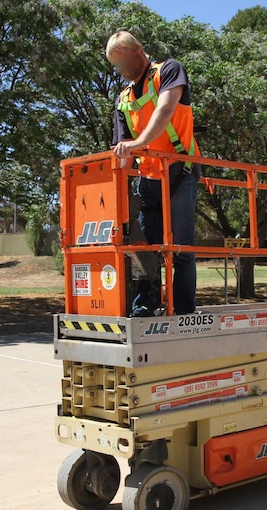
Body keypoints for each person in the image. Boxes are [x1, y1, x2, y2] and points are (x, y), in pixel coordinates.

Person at [107, 31, 201, 316]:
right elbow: (120, 149)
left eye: (121, 61)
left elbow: (166, 109)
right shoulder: (123, 99)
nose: (120, 70)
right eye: (115, 65)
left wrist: (138, 144)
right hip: (148, 179)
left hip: (179, 171)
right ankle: (145, 307)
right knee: (145, 249)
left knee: (180, 247)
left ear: (137, 50)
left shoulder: (169, 71)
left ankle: (183, 310)